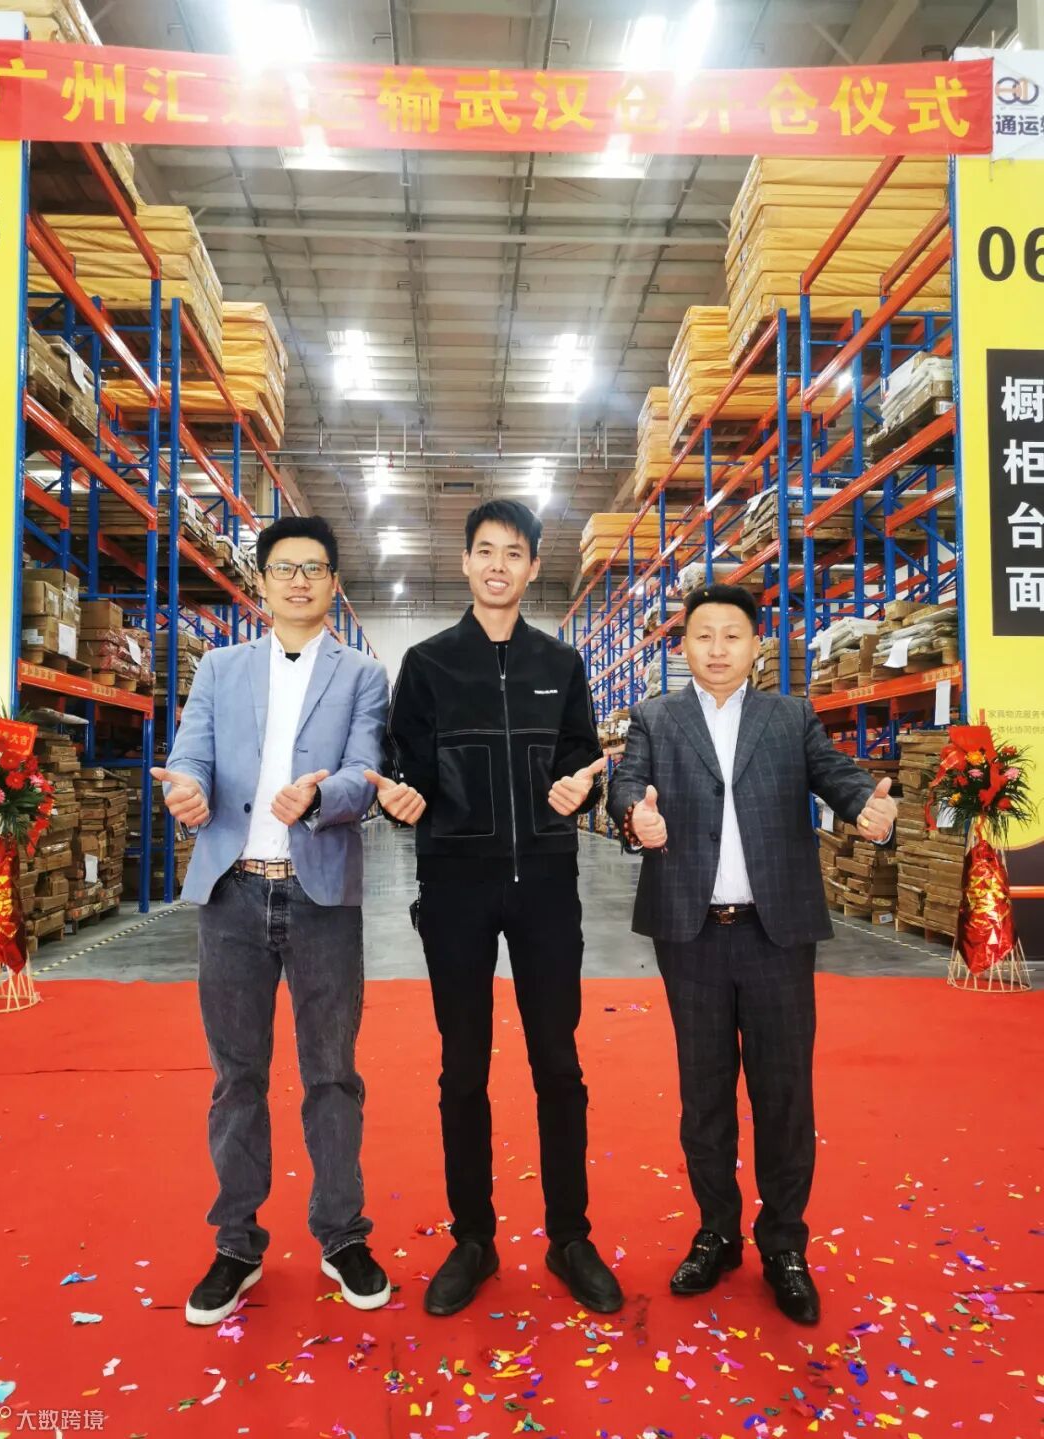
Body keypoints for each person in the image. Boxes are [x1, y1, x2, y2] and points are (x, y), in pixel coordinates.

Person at [607, 583, 896, 1326]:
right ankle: (716, 1232)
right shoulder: (656, 717)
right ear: (684, 646)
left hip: (776, 931)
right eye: (703, 635)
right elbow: (626, 783)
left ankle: (785, 1244)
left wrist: (867, 805)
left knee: (783, 1092)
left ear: (755, 645)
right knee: (704, 1093)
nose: (717, 648)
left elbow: (836, 773)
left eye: (731, 635)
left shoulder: (789, 716)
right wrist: (635, 814)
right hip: (692, 932)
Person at [365, 500, 622, 1317]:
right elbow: (404, 764)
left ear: (533, 566)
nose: (498, 565)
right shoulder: (429, 664)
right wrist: (401, 798)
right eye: (485, 550)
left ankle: (570, 1236)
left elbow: (582, 759)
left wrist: (584, 790)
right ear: (466, 562)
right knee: (463, 1066)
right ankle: (473, 1238)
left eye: (514, 552)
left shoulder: (562, 663)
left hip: (546, 885)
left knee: (559, 1063)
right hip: (456, 886)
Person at [154, 515, 391, 1326]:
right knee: (237, 1076)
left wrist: (322, 797)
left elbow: (366, 769)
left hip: (321, 896)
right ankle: (236, 1242)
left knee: (333, 1074)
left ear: (333, 582)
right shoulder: (220, 668)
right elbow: (190, 753)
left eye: (314, 568)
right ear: (261, 582)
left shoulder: (363, 674)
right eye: (284, 567)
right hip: (233, 893)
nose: (298, 580)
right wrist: (186, 789)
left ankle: (342, 1233)